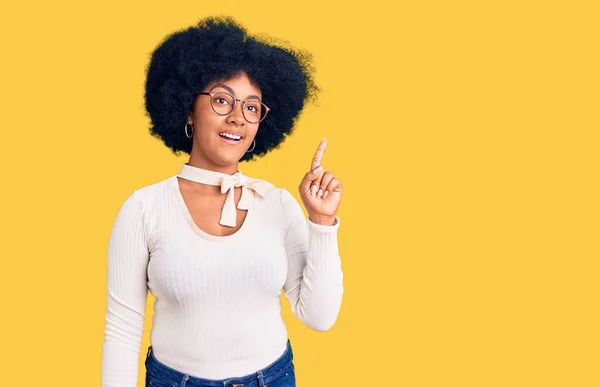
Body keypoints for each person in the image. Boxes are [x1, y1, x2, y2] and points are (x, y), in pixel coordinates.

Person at [101, 16, 344, 387]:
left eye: (251, 107)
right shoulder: (143, 209)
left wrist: (322, 222)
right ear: (187, 108)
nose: (237, 118)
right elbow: (122, 331)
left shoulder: (277, 204)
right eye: (221, 100)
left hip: (273, 378)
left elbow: (319, 317)